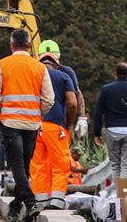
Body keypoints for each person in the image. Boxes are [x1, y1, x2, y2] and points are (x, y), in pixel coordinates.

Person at [0, 29, 55, 220]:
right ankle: (17, 207)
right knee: (24, 165)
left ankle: (28, 201)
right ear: (29, 45)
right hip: (32, 124)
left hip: (9, 122)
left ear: (11, 45)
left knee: (17, 164)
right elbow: (49, 99)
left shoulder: (1, 65)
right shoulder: (40, 67)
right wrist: (38, 114)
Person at [30, 53, 77, 209]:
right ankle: (56, 201)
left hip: (34, 126)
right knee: (60, 163)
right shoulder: (63, 77)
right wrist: (68, 124)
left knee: (37, 165)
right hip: (55, 125)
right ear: (56, 65)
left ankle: (40, 201)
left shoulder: (32, 76)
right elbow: (72, 104)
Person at [93, 62, 127, 180]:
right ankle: (122, 196)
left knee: (115, 165)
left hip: (112, 130)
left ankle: (119, 195)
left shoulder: (106, 89)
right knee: (126, 165)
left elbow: (98, 112)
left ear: (115, 73)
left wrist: (97, 133)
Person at [39, 40, 87, 138]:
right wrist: (81, 117)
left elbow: (77, 95)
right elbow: (75, 100)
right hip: (58, 122)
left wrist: (82, 117)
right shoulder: (66, 74)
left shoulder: (33, 72)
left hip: (38, 123)